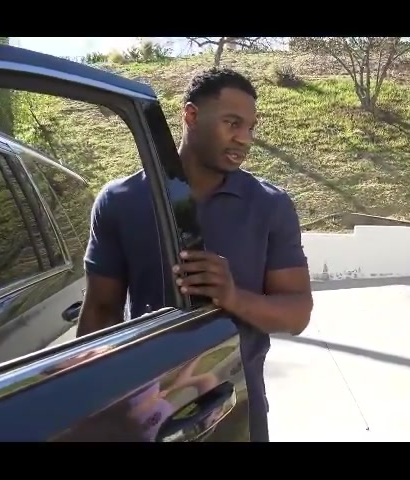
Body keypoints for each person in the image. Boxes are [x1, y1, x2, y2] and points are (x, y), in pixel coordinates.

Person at [76, 67, 314, 442]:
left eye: (250, 127)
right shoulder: (120, 201)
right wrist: (87, 407)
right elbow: (101, 311)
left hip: (236, 406)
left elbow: (298, 314)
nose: (244, 138)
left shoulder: (270, 205)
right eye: (232, 123)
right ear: (191, 116)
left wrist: (233, 297)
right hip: (146, 414)